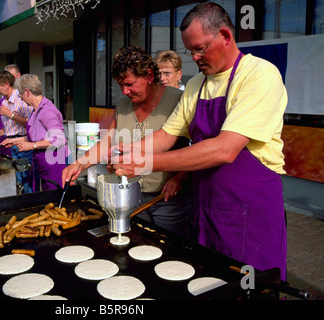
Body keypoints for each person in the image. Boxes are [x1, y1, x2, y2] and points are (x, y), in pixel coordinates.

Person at [109, 3, 288, 280]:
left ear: (226, 36)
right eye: (189, 50)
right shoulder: (196, 85)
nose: (194, 57)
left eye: (200, 48)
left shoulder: (258, 76)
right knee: (207, 281)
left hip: (250, 211)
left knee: (250, 289)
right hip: (206, 207)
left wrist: (144, 163)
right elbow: (167, 136)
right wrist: (124, 151)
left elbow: (225, 149)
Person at [61, 46, 193, 238]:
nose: (124, 91)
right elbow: (107, 142)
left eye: (130, 84)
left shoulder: (178, 99)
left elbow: (195, 146)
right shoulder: (123, 105)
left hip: (167, 198)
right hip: (130, 193)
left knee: (169, 249)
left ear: (149, 75)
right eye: (120, 85)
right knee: (137, 245)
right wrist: (78, 164)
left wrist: (181, 177)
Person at [1, 74, 70, 192]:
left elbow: (59, 140)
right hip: (43, 162)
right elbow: (36, 137)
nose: (20, 98)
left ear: (27, 92)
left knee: (54, 200)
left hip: (54, 163)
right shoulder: (35, 110)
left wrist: (31, 146)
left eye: (20, 95)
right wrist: (13, 141)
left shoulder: (47, 110)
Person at [0, 70, 34, 194]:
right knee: (19, 180)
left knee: (27, 181)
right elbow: (11, 127)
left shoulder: (21, 98)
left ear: (7, 84)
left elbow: (31, 124)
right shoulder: (5, 101)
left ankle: (30, 204)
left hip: (24, 144)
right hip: (13, 145)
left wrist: (10, 115)